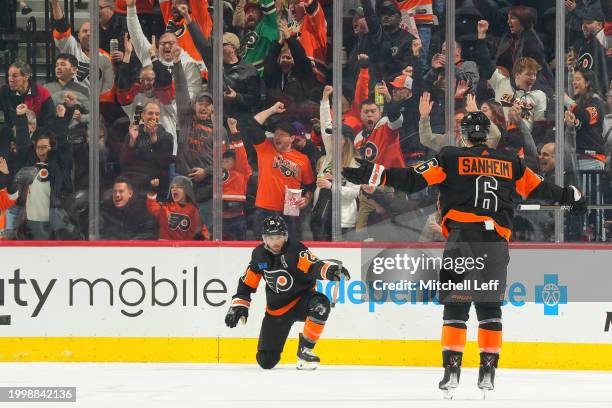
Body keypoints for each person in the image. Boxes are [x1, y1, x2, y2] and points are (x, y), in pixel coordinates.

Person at [342, 111, 587, 397]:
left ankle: (452, 371)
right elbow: (543, 189)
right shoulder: (511, 163)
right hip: (495, 242)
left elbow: (412, 179)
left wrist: (375, 172)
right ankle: (488, 370)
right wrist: (572, 197)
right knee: (489, 308)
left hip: (462, 239)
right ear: (488, 134)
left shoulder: (450, 157)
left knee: (455, 307)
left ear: (464, 135)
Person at [224, 215, 350, 370]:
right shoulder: (259, 255)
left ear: (285, 236)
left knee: (321, 305)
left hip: (302, 301)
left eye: (278, 237)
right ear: (264, 238)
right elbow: (246, 283)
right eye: (270, 237)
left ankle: (305, 350)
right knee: (266, 361)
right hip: (277, 311)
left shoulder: (296, 250)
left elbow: (314, 266)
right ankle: (271, 352)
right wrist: (239, 305)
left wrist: (330, 271)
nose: (275, 242)